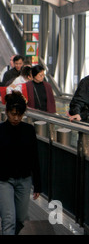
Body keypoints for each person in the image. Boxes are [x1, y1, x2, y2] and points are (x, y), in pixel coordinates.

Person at [0, 91, 41, 235]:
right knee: (8, 219)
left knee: (21, 219)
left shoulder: (28, 130)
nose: (16, 118)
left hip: (24, 180)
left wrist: (38, 184)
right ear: (6, 112)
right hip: (4, 180)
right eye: (13, 114)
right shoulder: (1, 130)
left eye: (19, 114)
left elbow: (34, 157)